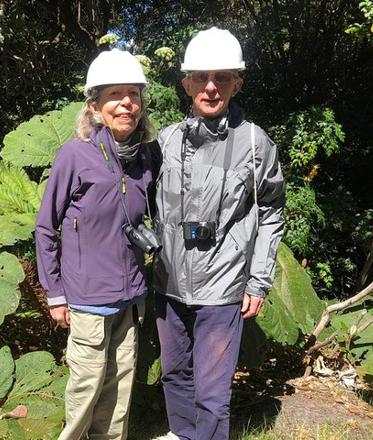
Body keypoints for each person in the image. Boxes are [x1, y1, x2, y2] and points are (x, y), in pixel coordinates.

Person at [152, 28, 285, 440]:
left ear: (237, 83)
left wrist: (259, 280)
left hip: (223, 285)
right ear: (186, 83)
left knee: (212, 393)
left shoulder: (254, 142)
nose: (211, 87)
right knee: (174, 375)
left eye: (222, 78)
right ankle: (182, 434)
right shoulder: (165, 141)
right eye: (201, 78)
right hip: (170, 283)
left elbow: (273, 210)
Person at [35, 49, 157, 440]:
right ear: (95, 106)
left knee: (119, 392)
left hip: (131, 297)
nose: (127, 103)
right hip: (87, 298)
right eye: (115, 95)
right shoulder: (76, 155)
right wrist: (54, 292)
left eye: (134, 95)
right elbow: (45, 228)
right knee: (86, 389)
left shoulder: (146, 157)